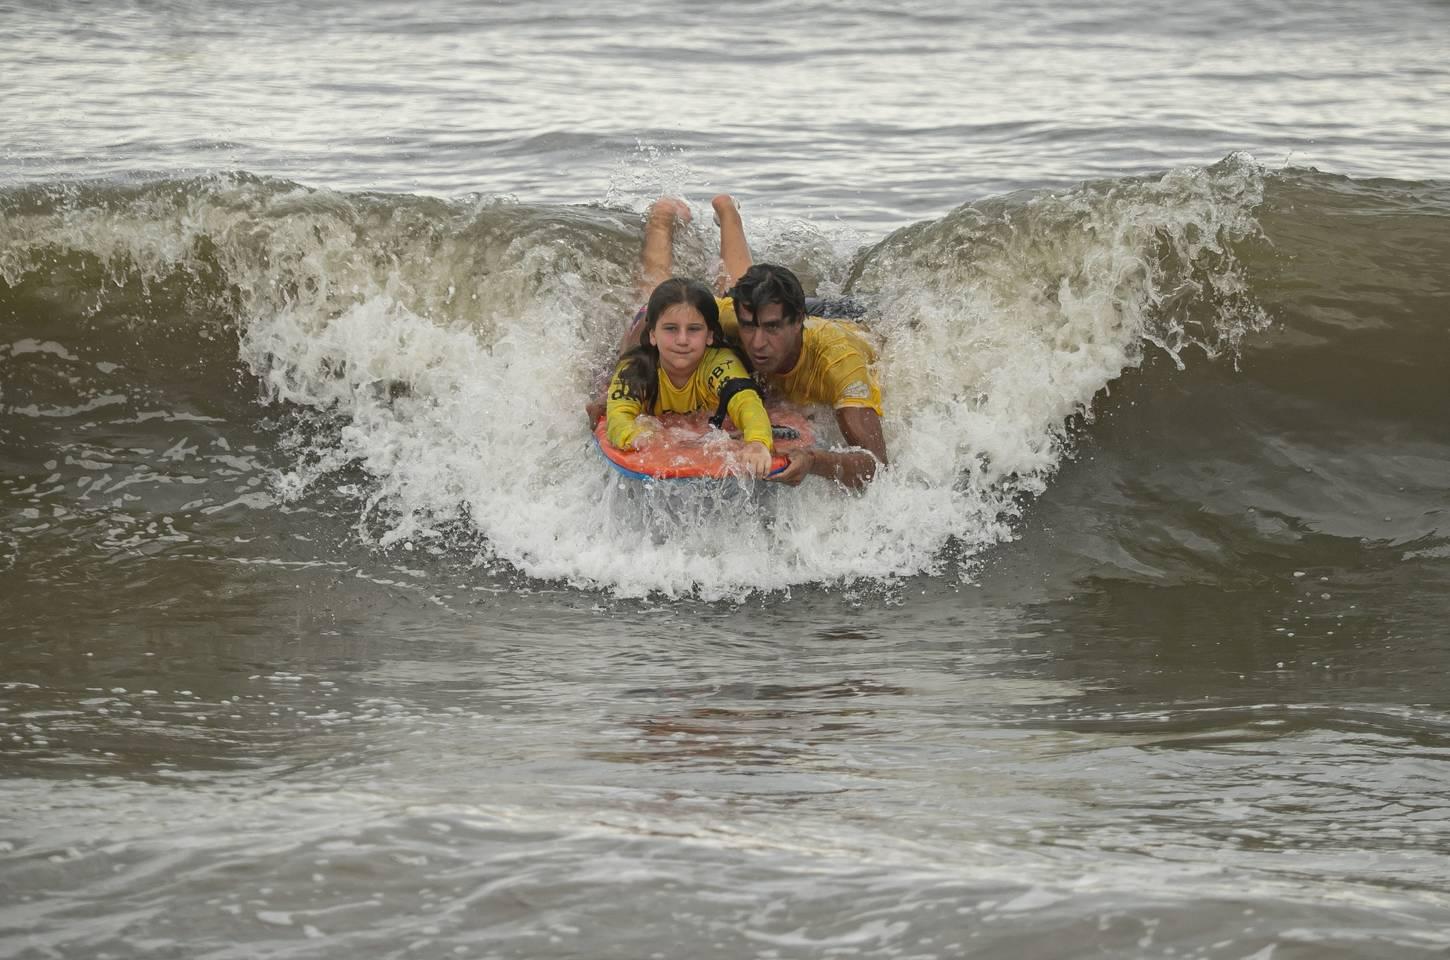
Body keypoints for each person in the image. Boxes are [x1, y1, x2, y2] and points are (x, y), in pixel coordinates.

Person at [710, 194, 887, 489]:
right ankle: (727, 211)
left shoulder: (838, 363)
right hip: (789, 310)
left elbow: (877, 466)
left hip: (848, 319)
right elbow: (650, 316)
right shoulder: (734, 319)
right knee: (732, 291)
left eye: (771, 329)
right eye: (748, 327)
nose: (757, 343)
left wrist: (815, 461)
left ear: (797, 322)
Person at [603, 263, 774, 478]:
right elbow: (618, 417)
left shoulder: (721, 364)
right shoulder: (635, 370)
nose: (682, 340)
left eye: (694, 329)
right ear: (653, 335)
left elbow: (746, 401)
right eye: (671, 329)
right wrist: (638, 436)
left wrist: (757, 442)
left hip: (678, 321)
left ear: (710, 335)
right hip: (640, 329)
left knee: (732, 289)